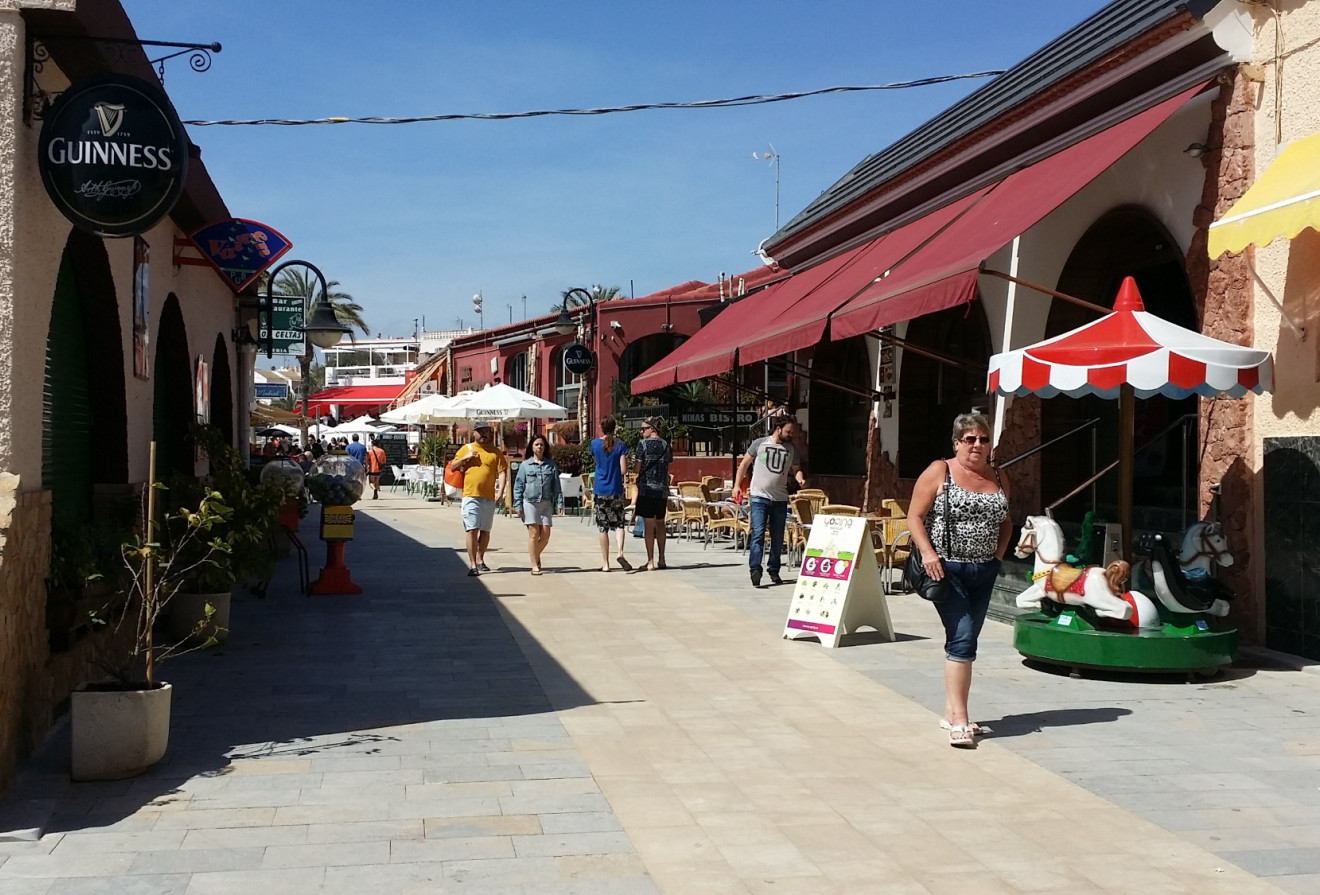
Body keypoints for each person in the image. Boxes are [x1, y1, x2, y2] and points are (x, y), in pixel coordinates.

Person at [906, 411, 1012, 749]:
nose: (977, 445)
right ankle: (961, 721)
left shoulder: (998, 475)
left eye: (983, 439)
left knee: (964, 639)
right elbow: (914, 516)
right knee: (964, 638)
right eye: (970, 439)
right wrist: (928, 553)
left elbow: (1006, 520)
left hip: (985, 570)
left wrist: (997, 558)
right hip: (947, 571)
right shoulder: (941, 471)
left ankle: (952, 712)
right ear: (956, 443)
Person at [733, 415, 806, 588]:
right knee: (757, 533)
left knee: (778, 537)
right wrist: (737, 485)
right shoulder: (760, 443)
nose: (791, 435)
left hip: (780, 499)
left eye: (792, 432)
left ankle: (774, 569)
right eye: (788, 431)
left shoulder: (791, 448)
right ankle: (755, 569)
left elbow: (796, 469)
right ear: (778, 428)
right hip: (759, 497)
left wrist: (800, 479)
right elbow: (743, 465)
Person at [449, 423, 508, 576]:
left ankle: (480, 558)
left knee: (486, 531)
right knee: (472, 529)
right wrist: (465, 458)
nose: (484, 435)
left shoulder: (495, 452)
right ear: (474, 433)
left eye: (487, 432)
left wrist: (500, 491)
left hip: (488, 497)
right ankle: (473, 564)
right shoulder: (467, 449)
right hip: (470, 495)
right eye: (481, 432)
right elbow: (453, 466)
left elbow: (502, 472)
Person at [513, 434, 563, 575]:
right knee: (534, 534)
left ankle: (535, 554)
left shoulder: (550, 465)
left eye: (541, 444)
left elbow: (556, 487)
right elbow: (518, 486)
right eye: (536, 444)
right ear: (532, 447)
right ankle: (534, 565)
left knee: (546, 535)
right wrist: (518, 506)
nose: (539, 447)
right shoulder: (525, 465)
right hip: (530, 503)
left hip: (546, 503)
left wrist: (560, 504)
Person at [590, 417, 631, 572]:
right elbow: (623, 470)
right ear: (615, 428)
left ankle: (606, 564)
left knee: (603, 527)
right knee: (619, 524)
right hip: (615, 489)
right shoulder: (620, 445)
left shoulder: (594, 444)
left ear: (601, 427)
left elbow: (596, 461)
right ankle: (620, 552)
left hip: (600, 489)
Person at [633, 417, 672, 571]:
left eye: (643, 429)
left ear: (652, 429)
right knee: (661, 524)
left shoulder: (642, 445)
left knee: (649, 526)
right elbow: (668, 465)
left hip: (646, 489)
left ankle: (650, 561)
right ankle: (662, 558)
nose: (641, 431)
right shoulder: (665, 445)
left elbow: (637, 469)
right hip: (661, 490)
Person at [366, 435, 387, 499]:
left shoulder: (370, 452)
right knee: (377, 481)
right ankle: (376, 493)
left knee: (371, 482)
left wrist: (367, 467)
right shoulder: (382, 451)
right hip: (379, 469)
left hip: (372, 469)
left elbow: (367, 460)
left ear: (372, 444)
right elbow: (384, 461)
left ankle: (374, 489)